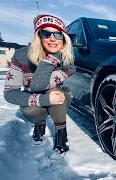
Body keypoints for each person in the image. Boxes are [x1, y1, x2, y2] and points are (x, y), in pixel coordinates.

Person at [3, 14, 76, 155]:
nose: (52, 38)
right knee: (30, 110)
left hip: (57, 100)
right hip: (36, 101)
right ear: (38, 37)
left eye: (58, 34)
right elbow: (10, 93)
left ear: (64, 40)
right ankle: (39, 124)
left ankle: (62, 135)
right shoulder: (21, 56)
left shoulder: (68, 64)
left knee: (56, 91)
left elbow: (38, 84)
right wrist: (43, 100)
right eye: (46, 33)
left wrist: (51, 59)